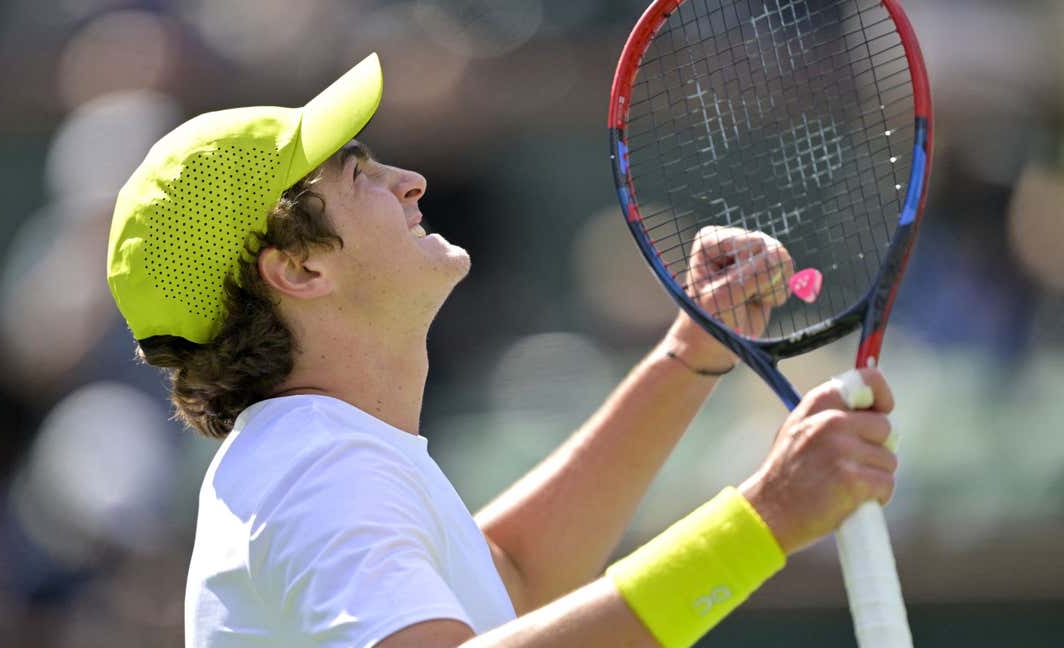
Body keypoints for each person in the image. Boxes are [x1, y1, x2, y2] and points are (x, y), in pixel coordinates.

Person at [107, 54, 899, 648]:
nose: (411, 179)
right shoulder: (318, 469)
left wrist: (694, 351)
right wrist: (766, 520)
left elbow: (511, 579)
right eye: (360, 176)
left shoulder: (310, 455)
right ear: (300, 269)